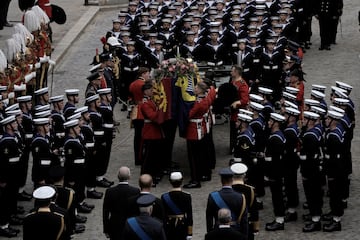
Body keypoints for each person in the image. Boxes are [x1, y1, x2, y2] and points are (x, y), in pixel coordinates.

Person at [299, 111, 323, 232]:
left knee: (312, 195)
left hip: (311, 170)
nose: (302, 121)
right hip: (315, 169)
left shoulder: (309, 136)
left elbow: (307, 158)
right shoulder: (315, 133)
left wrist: (304, 172)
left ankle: (316, 220)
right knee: (315, 195)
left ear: (310, 121)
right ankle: (315, 216)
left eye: (305, 119)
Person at [206, 168, 248, 236]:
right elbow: (244, 220)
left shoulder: (212, 196)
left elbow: (209, 219)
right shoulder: (240, 197)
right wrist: (244, 236)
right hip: (236, 231)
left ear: (221, 180)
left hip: (217, 232)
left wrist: (210, 234)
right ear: (232, 180)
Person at [103, 166, 140, 240]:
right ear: (129, 177)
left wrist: (106, 229)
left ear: (118, 176)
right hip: (131, 225)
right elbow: (137, 211)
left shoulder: (110, 191)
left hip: (114, 226)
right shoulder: (135, 191)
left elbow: (105, 212)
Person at [0, 116, 22, 237]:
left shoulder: (13, 138)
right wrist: (3, 179)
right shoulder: (6, 142)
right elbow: (3, 163)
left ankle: (9, 220)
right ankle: (3, 226)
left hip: (13, 176)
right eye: (13, 122)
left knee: (10, 199)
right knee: (4, 201)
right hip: (7, 178)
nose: (16, 123)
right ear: (8, 126)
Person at [264, 113, 286, 231]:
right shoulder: (277, 136)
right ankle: (278, 218)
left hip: (275, 173)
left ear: (275, 123)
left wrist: (270, 174)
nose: (268, 122)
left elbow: (275, 160)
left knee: (277, 197)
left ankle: (279, 220)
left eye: (270, 121)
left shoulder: (276, 139)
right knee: (276, 196)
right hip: (276, 172)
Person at [230, 163, 259, 240]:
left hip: (231, 223)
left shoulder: (228, 189)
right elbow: (254, 209)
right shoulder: (250, 190)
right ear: (244, 175)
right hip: (246, 222)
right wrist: (255, 227)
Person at [161, 172, 193, 240]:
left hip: (169, 225)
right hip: (182, 225)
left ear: (170, 181)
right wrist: (190, 232)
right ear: (182, 181)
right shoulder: (187, 196)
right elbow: (189, 215)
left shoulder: (164, 196)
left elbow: (163, 216)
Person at [229, 65, 249, 154]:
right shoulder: (232, 81)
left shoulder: (242, 84)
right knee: (232, 131)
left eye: (232, 71)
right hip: (233, 111)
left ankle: (236, 148)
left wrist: (237, 103)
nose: (230, 72)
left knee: (236, 131)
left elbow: (244, 100)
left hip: (239, 113)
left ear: (236, 72)